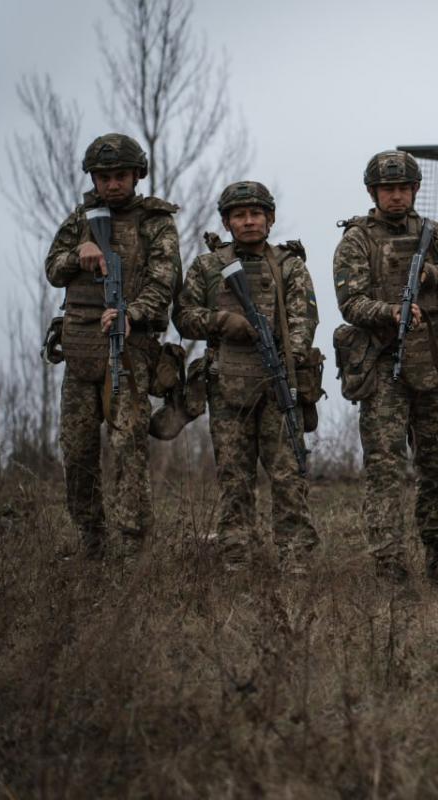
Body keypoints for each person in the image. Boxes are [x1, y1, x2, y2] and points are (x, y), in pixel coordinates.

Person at [333, 150, 438, 583]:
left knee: (437, 469)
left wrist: (434, 274)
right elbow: (350, 302)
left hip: (431, 365)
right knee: (385, 470)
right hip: (383, 367)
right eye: (387, 189)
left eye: (402, 188)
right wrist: (390, 312)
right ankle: (389, 564)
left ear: (414, 189)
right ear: (373, 192)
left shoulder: (433, 233)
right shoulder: (357, 239)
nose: (396, 196)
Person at [44, 133, 181, 560]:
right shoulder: (80, 218)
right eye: (104, 177)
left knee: (127, 447)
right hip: (82, 345)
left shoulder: (155, 222)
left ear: (137, 175)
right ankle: (92, 540)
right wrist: (78, 254)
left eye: (120, 175)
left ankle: (131, 546)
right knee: (77, 448)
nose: (112, 184)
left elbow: (164, 283)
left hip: (130, 348)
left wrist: (131, 313)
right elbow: (53, 269)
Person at [175, 181, 320, 571]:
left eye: (256, 214)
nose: (249, 221)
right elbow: (184, 317)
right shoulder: (208, 267)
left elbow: (304, 321)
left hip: (278, 385)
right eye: (239, 215)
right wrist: (221, 321)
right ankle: (236, 556)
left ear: (270, 219)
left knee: (288, 476)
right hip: (228, 386)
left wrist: (288, 360)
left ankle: (295, 559)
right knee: (234, 476)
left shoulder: (289, 265)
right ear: (226, 222)